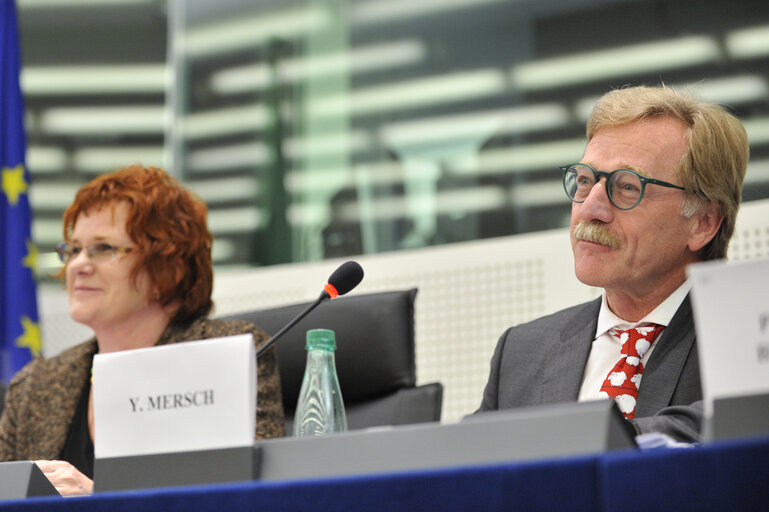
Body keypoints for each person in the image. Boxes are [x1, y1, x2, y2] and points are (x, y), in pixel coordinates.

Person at [478, 85, 749, 442]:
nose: (589, 209)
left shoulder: (749, 341)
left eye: (627, 187)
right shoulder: (522, 351)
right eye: (585, 180)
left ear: (703, 223)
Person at [0, 165, 285, 496]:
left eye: (103, 248)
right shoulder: (37, 385)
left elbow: (247, 501)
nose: (78, 265)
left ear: (171, 266)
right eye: (74, 249)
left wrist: (98, 501)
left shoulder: (227, 354)